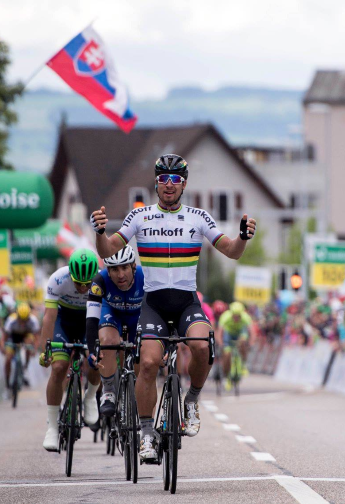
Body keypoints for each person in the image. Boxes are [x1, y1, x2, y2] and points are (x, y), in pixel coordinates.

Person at [90, 154, 257, 461]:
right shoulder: (139, 217)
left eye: (175, 180)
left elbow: (231, 251)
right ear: (156, 183)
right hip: (153, 303)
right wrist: (100, 233)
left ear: (183, 185)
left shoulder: (198, 217)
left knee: (202, 344)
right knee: (149, 364)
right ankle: (146, 434)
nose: (169, 186)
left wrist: (243, 237)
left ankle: (192, 399)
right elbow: (109, 249)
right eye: (163, 180)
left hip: (185, 301)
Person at [38, 249, 101, 452]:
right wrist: (45, 349)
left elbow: (104, 318)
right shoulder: (57, 279)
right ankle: (53, 428)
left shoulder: (101, 280)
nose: (83, 288)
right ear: (70, 275)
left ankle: (90, 397)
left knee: (96, 358)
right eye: (78, 283)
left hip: (88, 322)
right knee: (58, 368)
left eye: (86, 284)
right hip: (63, 322)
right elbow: (49, 317)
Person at [85, 245, 145, 417]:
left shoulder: (146, 276)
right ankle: (109, 390)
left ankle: (140, 395)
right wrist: (92, 351)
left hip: (138, 316)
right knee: (108, 342)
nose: (120, 275)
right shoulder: (99, 281)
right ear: (107, 269)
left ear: (133, 266)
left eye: (125, 267)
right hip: (111, 313)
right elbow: (91, 319)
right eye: (114, 269)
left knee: (143, 354)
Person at [216, 301, 254, 390]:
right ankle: (227, 377)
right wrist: (221, 344)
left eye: (238, 316)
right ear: (231, 313)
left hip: (240, 333)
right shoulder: (225, 317)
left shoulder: (246, 317)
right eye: (234, 316)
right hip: (228, 333)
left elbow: (252, 332)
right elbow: (219, 332)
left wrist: (251, 343)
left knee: (243, 340)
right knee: (227, 354)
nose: (236, 318)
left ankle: (243, 365)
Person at [3, 302, 40, 387]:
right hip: (13, 337)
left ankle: (25, 367)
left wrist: (34, 349)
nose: (23, 322)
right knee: (8, 359)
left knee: (29, 342)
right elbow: (5, 336)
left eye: (25, 319)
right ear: (17, 315)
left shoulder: (33, 320)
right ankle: (7, 381)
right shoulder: (11, 320)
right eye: (21, 319)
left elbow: (37, 338)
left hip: (25, 336)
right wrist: (4, 347)